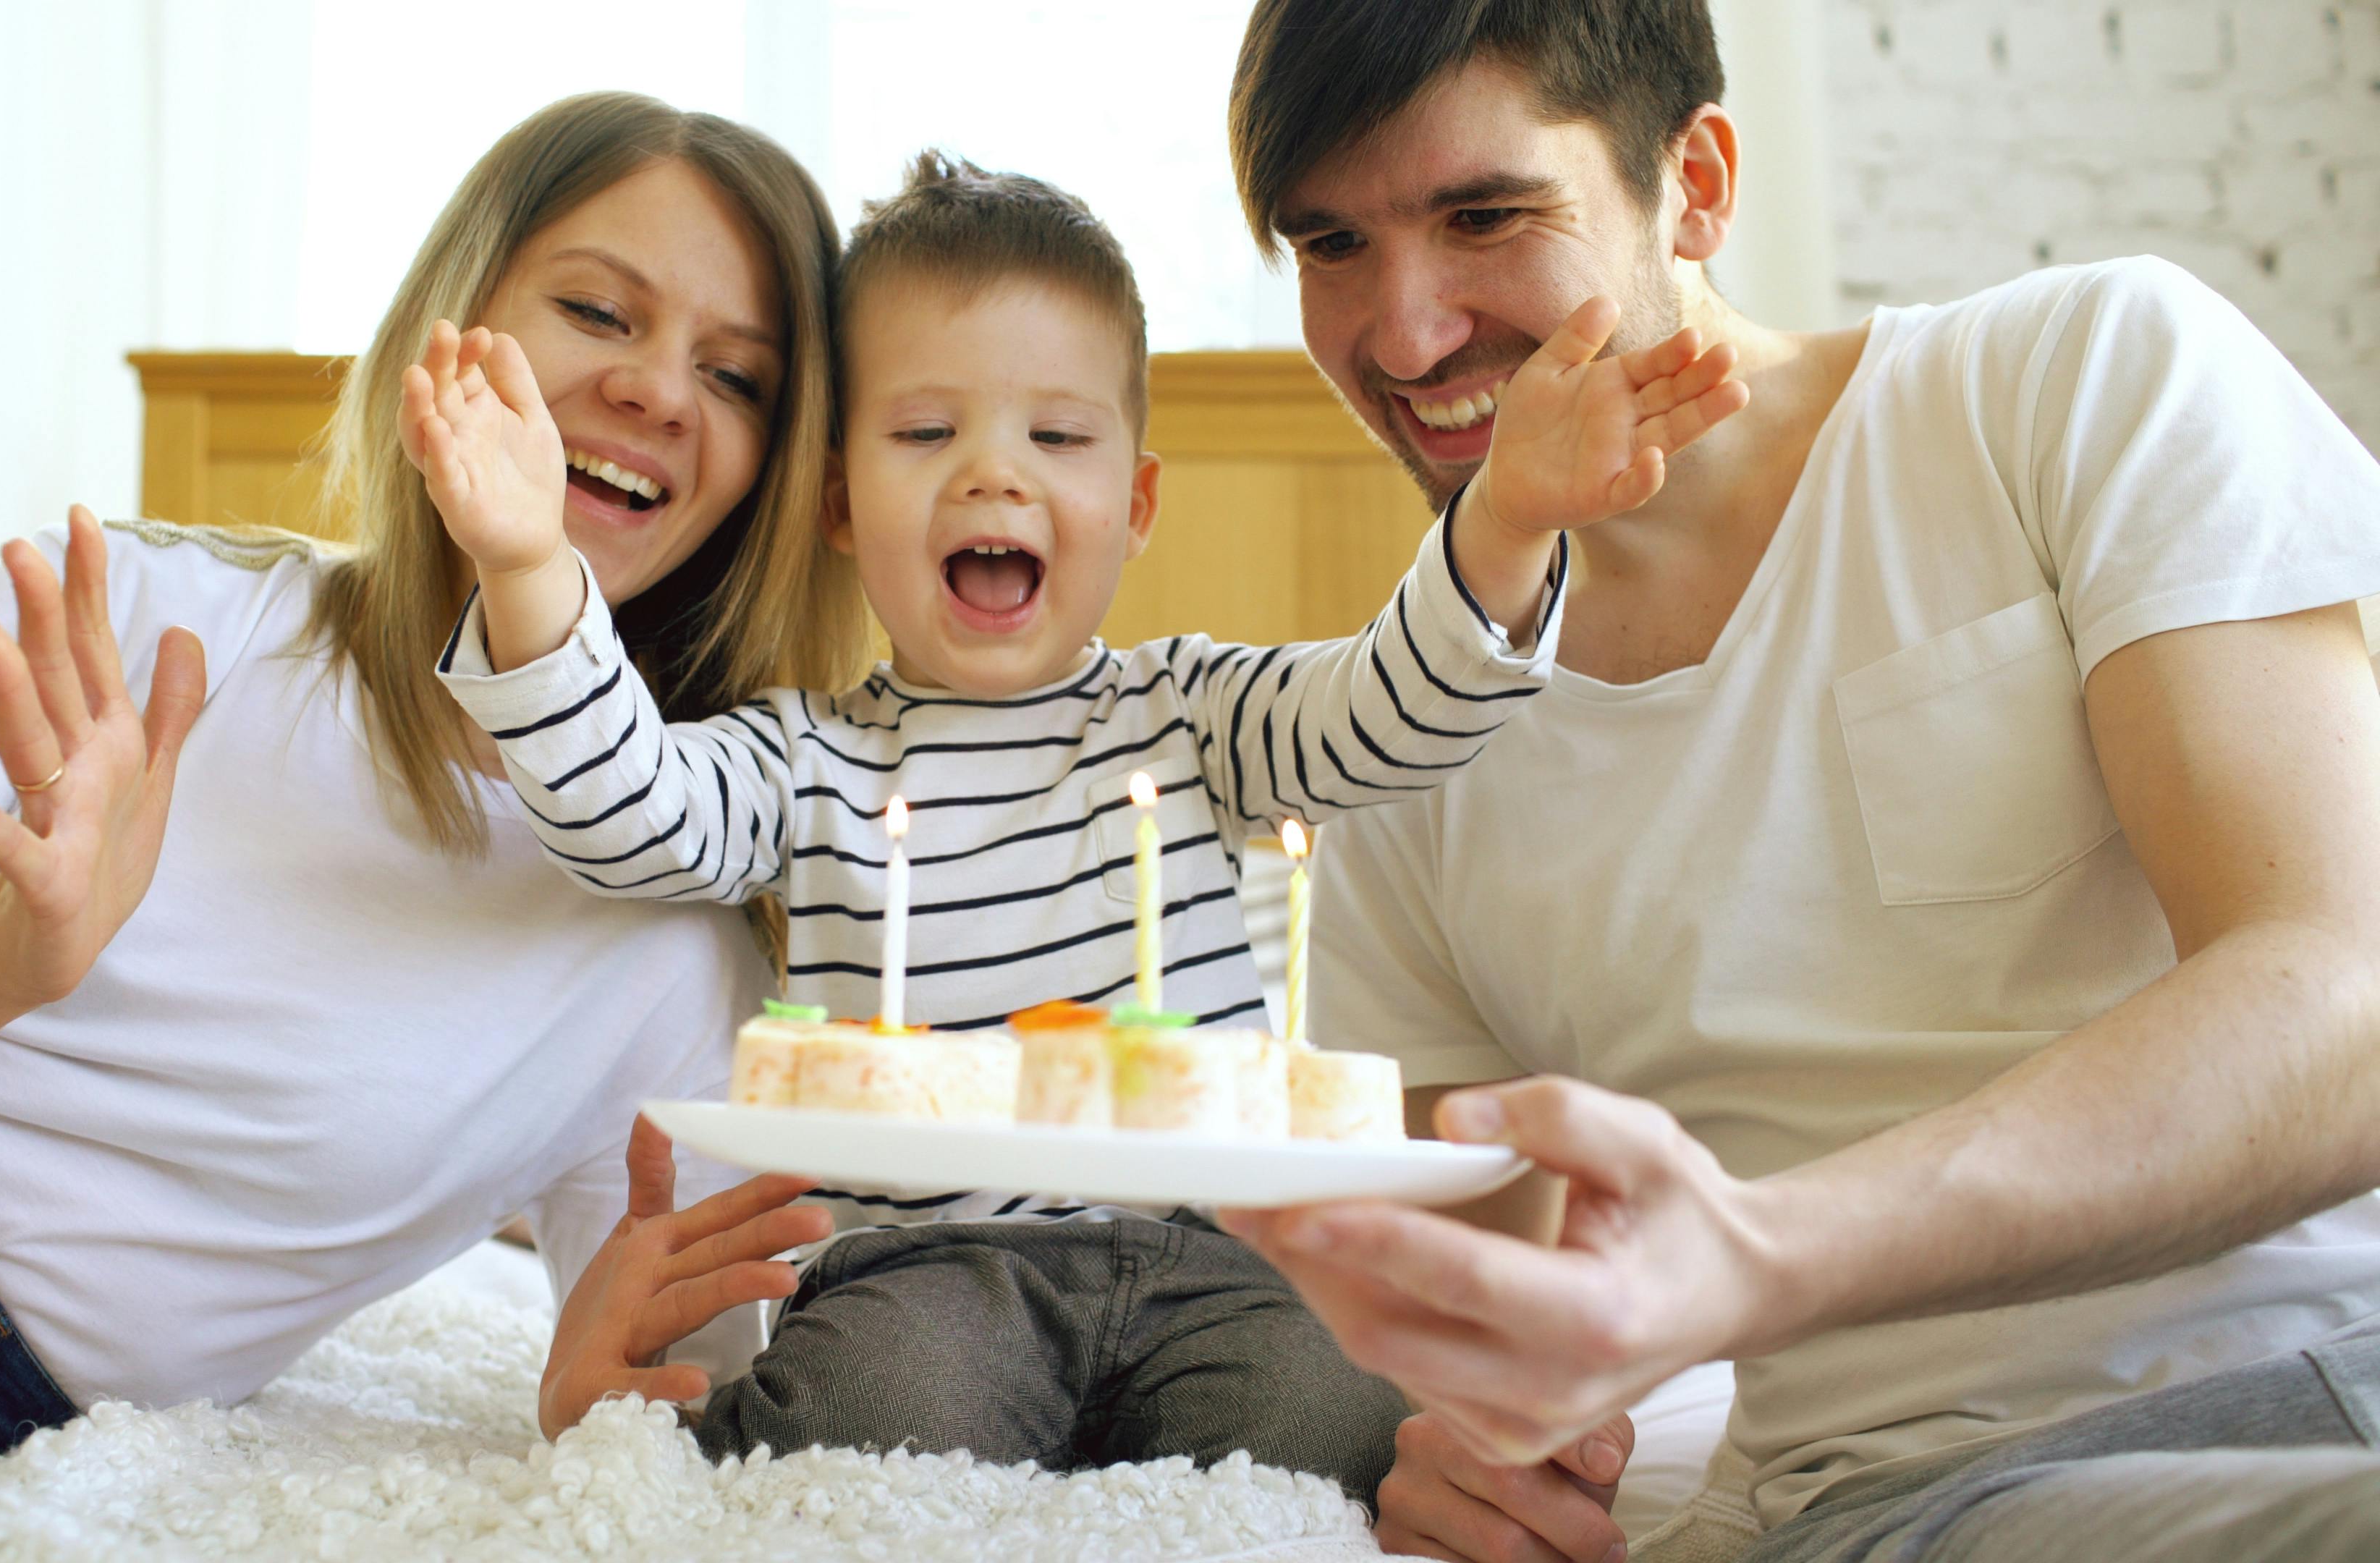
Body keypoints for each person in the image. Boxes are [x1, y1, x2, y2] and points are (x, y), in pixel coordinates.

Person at [1206, 3, 2380, 1561]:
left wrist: (1759, 1251)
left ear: (1693, 183)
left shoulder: (2076, 382)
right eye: (1331, 243)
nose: (1407, 334)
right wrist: (1484, 1453)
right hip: (1946, 1502)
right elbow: (1504, 1311)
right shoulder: (1395, 750)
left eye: (1484, 217)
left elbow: (2344, 990)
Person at [405, 151, 1745, 1504]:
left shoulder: (1200, 715)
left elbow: (1392, 713)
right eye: (926, 435)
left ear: (1137, 504)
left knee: (1338, 1430)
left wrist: (1505, 519)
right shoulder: (803, 761)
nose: (995, 477)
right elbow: (621, 811)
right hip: (932, 1274)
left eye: (1056, 438)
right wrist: (528, 566)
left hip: (1223, 1266)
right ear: (836, 504)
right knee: (859, 1432)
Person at [0, 93, 869, 1496]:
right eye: (599, 311)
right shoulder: (139, 622)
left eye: (739, 377)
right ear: (449, 328)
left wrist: (593, 1406)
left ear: (776, 476)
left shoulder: (678, 953)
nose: (659, 391)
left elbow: (688, 1393)